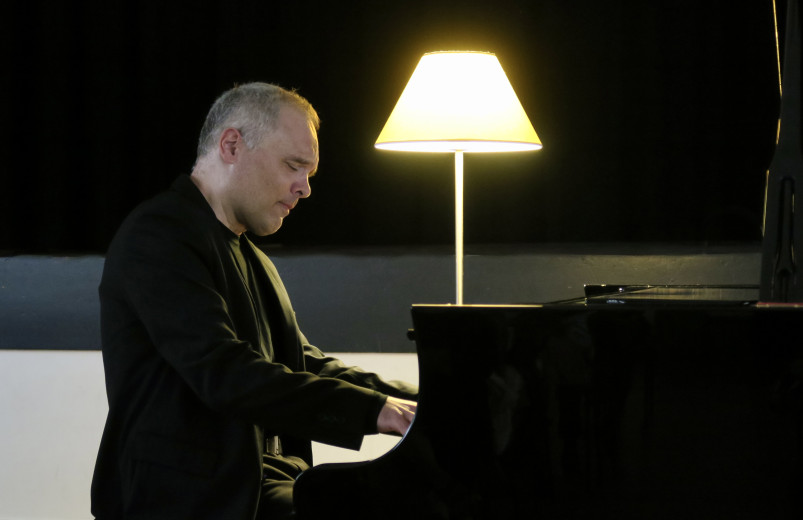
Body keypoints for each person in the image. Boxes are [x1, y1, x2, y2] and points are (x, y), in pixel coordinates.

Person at [91, 82, 418, 520]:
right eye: (294, 166)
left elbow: (301, 362)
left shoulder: (251, 255)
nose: (304, 188)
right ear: (231, 145)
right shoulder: (158, 236)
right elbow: (223, 371)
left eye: (309, 174)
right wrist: (373, 410)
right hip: (188, 501)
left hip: (263, 485)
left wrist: (415, 400)